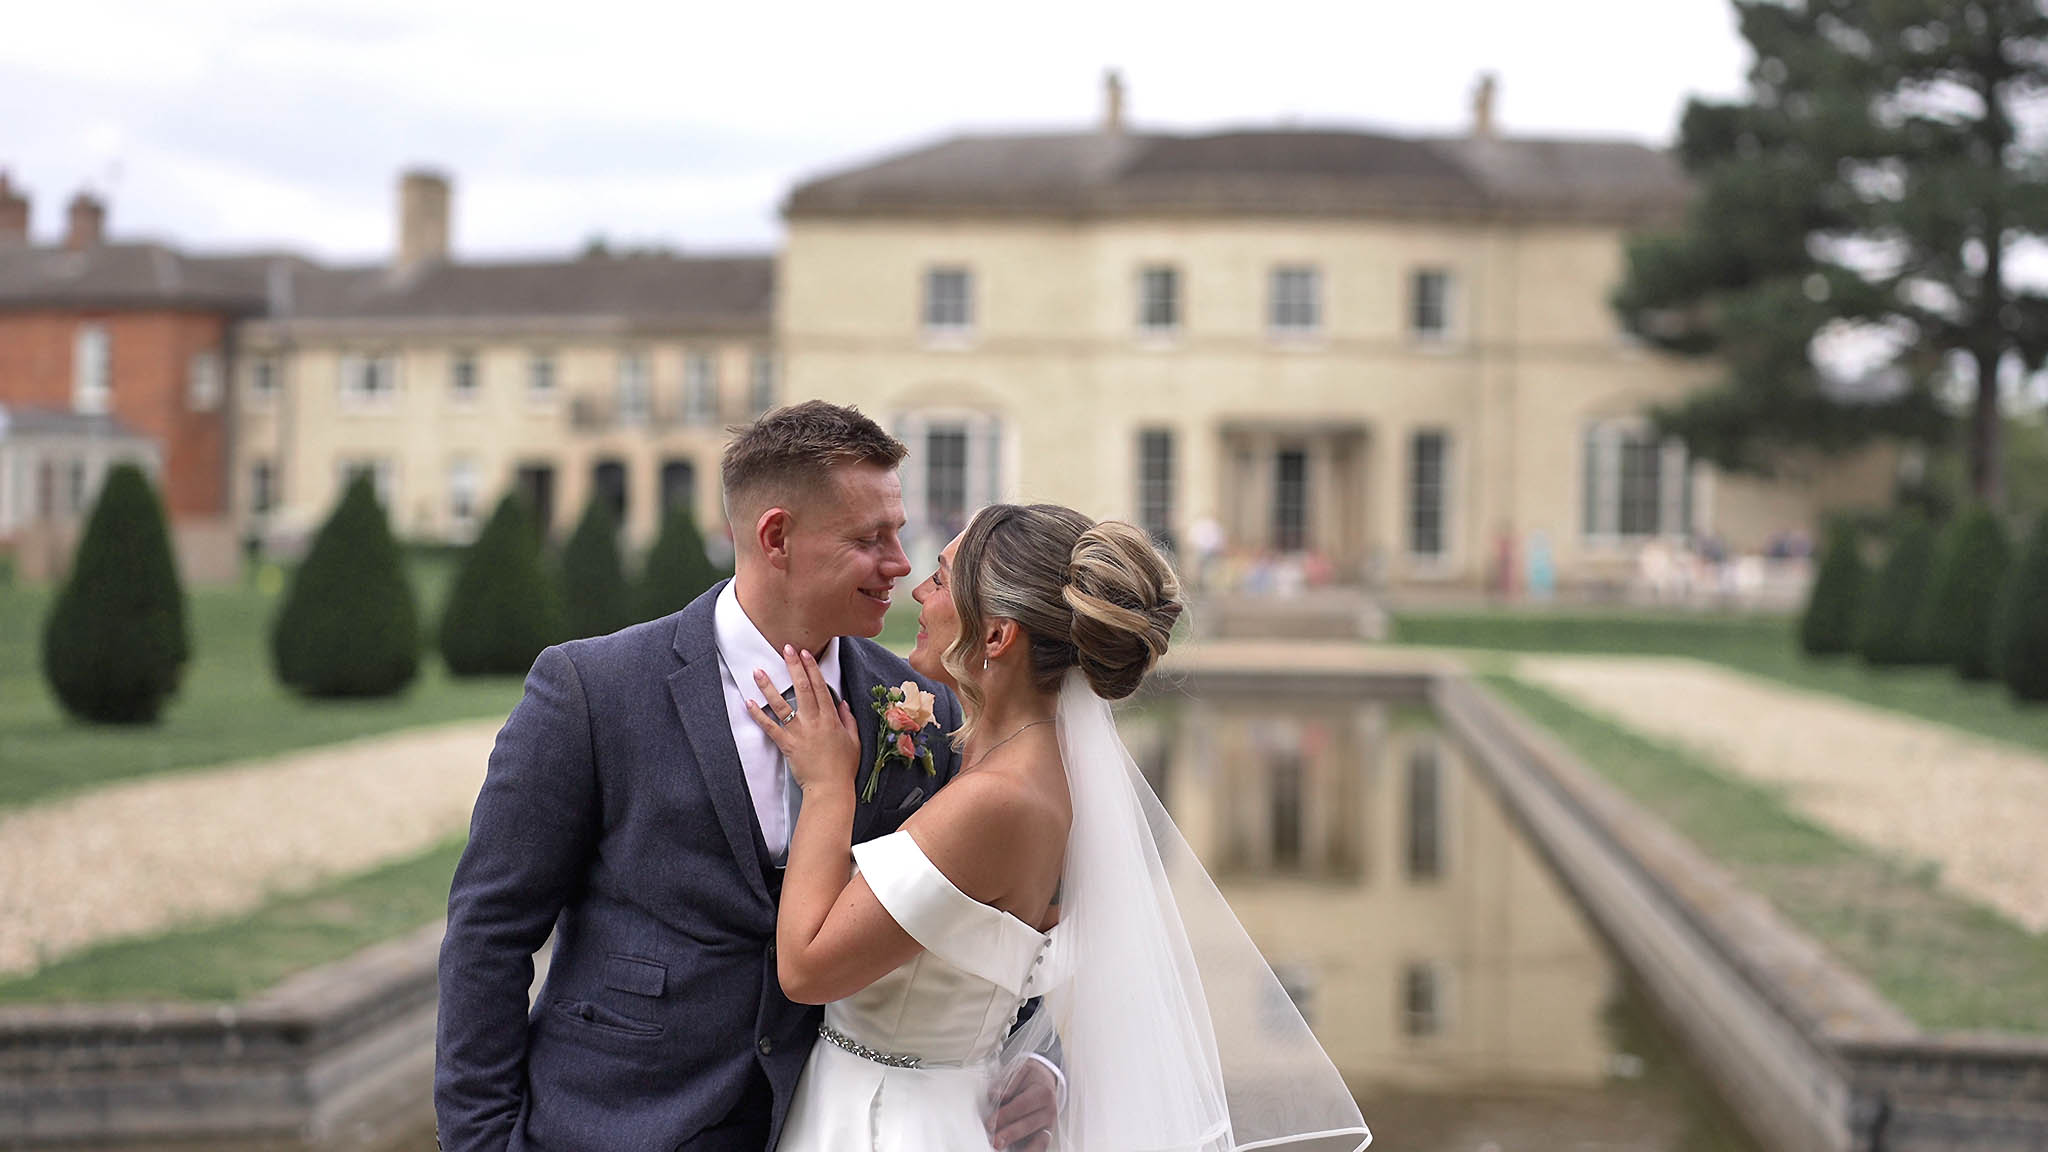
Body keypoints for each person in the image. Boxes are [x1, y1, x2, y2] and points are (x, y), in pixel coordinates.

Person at [434, 402, 1058, 1151]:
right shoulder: (593, 689)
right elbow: (489, 934)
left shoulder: (925, 708)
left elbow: (1000, 913)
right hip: (607, 1122)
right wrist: (481, 1142)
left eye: (898, 531)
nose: (901, 562)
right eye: (871, 539)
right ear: (776, 537)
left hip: (824, 1122)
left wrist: (1040, 1063)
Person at [753, 503, 1371, 1152]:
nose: (919, 592)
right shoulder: (1049, 775)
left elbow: (807, 969)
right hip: (948, 1108)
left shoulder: (998, 800)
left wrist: (826, 787)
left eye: (940, 579)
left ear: (996, 637)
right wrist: (1049, 1063)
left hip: (883, 1124)